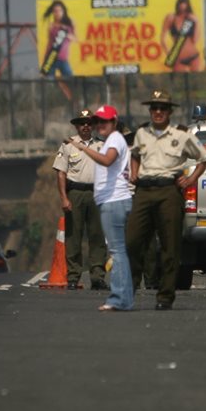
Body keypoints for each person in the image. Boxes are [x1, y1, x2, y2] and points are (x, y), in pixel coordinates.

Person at [126, 89, 206, 310]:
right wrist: (134, 172)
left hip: (168, 191)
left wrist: (191, 178)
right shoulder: (142, 134)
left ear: (170, 112)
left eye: (163, 108)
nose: (158, 112)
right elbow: (135, 155)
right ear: (150, 111)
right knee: (132, 241)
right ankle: (129, 289)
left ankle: (165, 296)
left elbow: (204, 157)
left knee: (170, 246)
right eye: (154, 108)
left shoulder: (181, 135)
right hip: (144, 190)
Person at [65, 104, 133, 311]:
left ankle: (118, 298)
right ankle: (123, 298)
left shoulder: (112, 140)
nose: (99, 125)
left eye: (105, 121)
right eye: (98, 121)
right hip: (101, 198)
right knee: (117, 250)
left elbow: (107, 160)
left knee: (116, 251)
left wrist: (82, 148)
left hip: (114, 200)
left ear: (114, 122)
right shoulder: (110, 141)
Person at [52, 109, 108, 290]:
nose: (86, 126)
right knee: (73, 236)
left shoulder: (101, 145)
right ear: (77, 126)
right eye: (82, 123)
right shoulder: (68, 146)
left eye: (89, 123)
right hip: (75, 193)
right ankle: (74, 276)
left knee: (97, 236)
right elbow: (61, 173)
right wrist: (64, 198)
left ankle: (98, 276)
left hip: (97, 193)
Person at [161, 0, 201, 72]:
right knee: (178, 81)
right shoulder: (171, 18)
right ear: (178, 4)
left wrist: (197, 22)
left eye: (185, 3)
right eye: (181, 3)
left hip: (194, 56)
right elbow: (162, 38)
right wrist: (169, 54)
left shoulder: (191, 18)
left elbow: (195, 40)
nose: (182, 6)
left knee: (197, 81)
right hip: (178, 58)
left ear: (188, 5)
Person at [40, 0, 76, 77]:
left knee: (71, 81)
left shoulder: (69, 24)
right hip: (51, 58)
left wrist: (66, 35)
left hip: (63, 59)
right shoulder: (51, 26)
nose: (58, 13)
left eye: (60, 10)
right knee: (49, 83)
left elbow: (75, 38)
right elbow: (49, 44)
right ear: (53, 13)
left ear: (63, 11)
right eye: (55, 11)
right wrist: (45, 62)